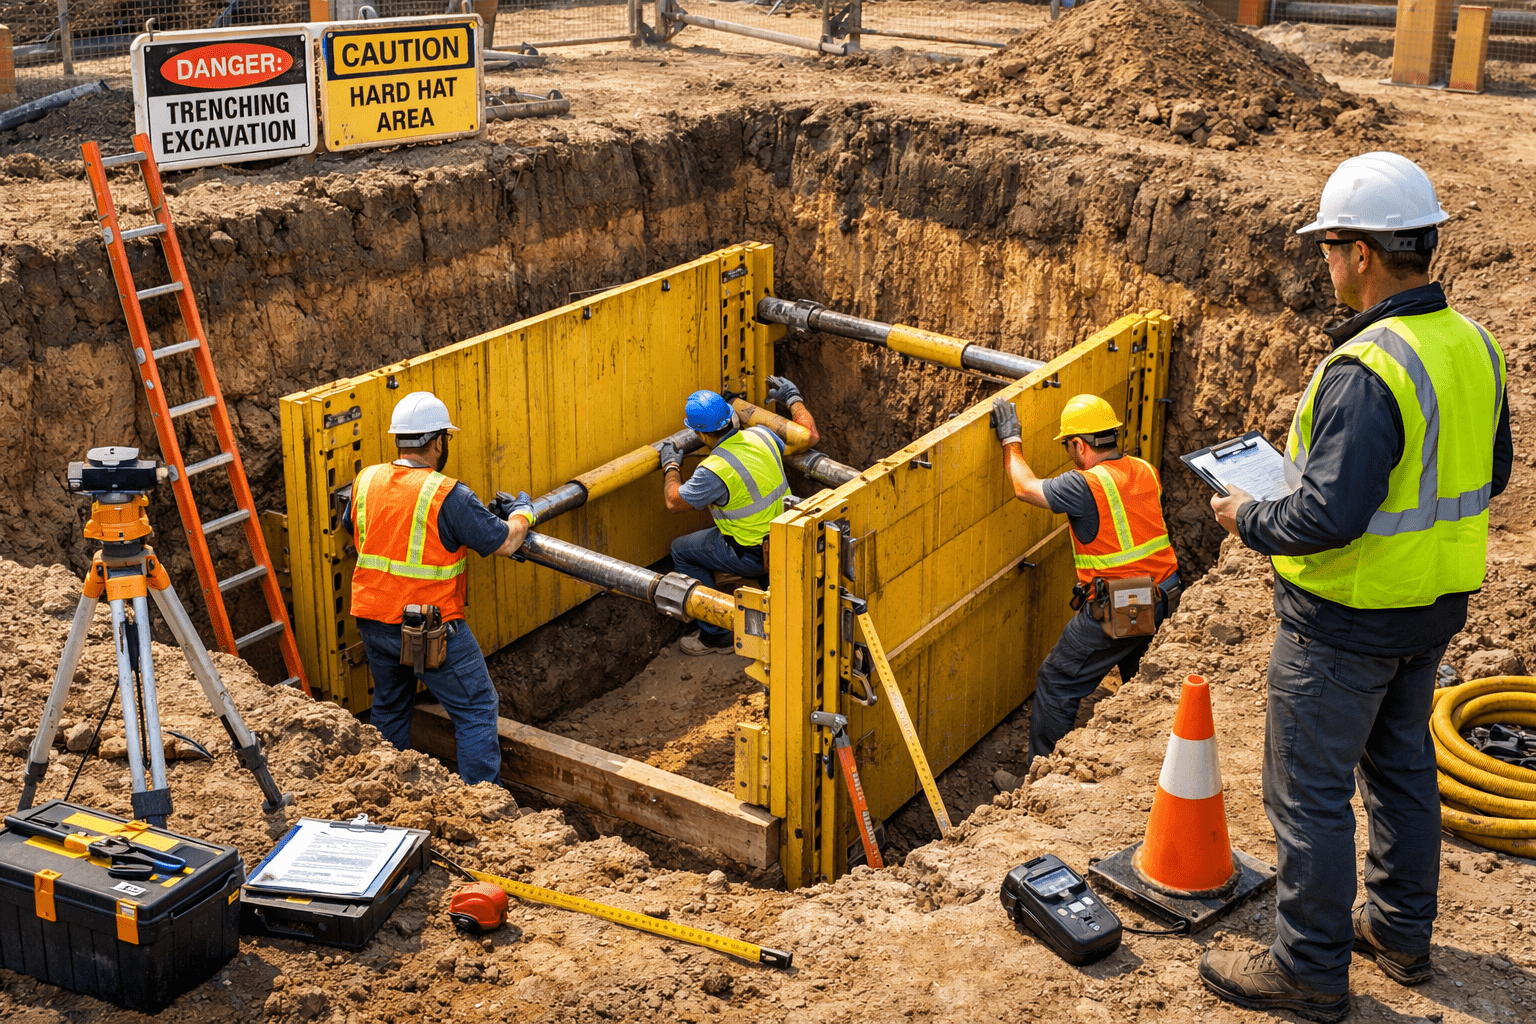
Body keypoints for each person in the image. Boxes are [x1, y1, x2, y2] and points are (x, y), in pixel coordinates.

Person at [1199, 153, 1512, 1023]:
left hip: (1344, 620)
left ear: (1362, 253)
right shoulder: (1473, 344)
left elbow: (1325, 519)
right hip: (1431, 607)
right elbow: (1494, 472)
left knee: (1309, 795)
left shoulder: (1369, 366)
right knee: (1403, 770)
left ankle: (1308, 969)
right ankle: (1402, 934)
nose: (1326, 264)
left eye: (1329, 246)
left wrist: (1244, 517)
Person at [342, 391, 535, 785]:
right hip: (430, 629)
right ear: (437, 442)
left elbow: (354, 525)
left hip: (374, 621)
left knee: (391, 706)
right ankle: (482, 804)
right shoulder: (448, 494)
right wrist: (521, 513)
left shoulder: (367, 479)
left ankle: (387, 788)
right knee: (477, 707)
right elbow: (505, 542)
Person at [990, 392, 1181, 767]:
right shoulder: (1144, 469)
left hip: (1127, 606)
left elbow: (1024, 488)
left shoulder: (1087, 484)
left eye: (1068, 445)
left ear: (1079, 444)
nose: (1069, 453)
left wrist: (1011, 441)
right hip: (1168, 595)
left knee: (1058, 679)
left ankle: (1042, 777)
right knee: (1140, 674)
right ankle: (1149, 761)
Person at [660, 378, 818, 656]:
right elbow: (809, 436)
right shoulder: (762, 435)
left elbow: (674, 502)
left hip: (750, 555)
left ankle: (716, 636)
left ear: (700, 433)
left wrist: (671, 465)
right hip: (786, 539)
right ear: (731, 417)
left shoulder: (712, 470)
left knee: (681, 551)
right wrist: (793, 397)